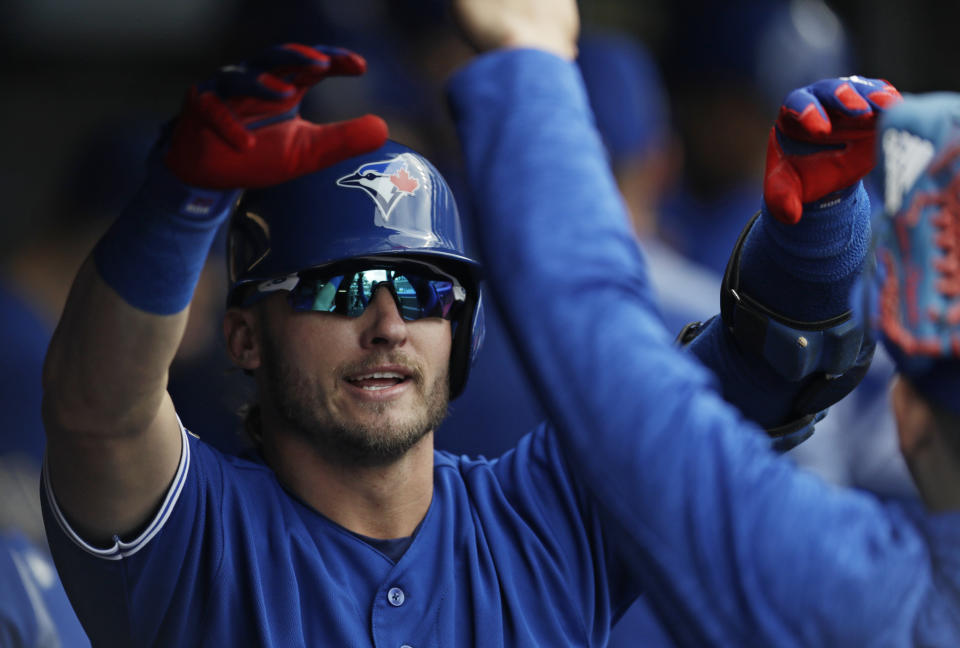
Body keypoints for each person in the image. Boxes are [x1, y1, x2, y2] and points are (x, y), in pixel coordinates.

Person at [40, 4, 957, 648]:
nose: (391, 320)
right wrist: (178, 208)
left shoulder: (545, 511)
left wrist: (818, 240)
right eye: (342, 289)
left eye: (429, 291)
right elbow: (98, 416)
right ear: (245, 335)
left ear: (466, 333)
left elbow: (766, 371)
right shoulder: (199, 533)